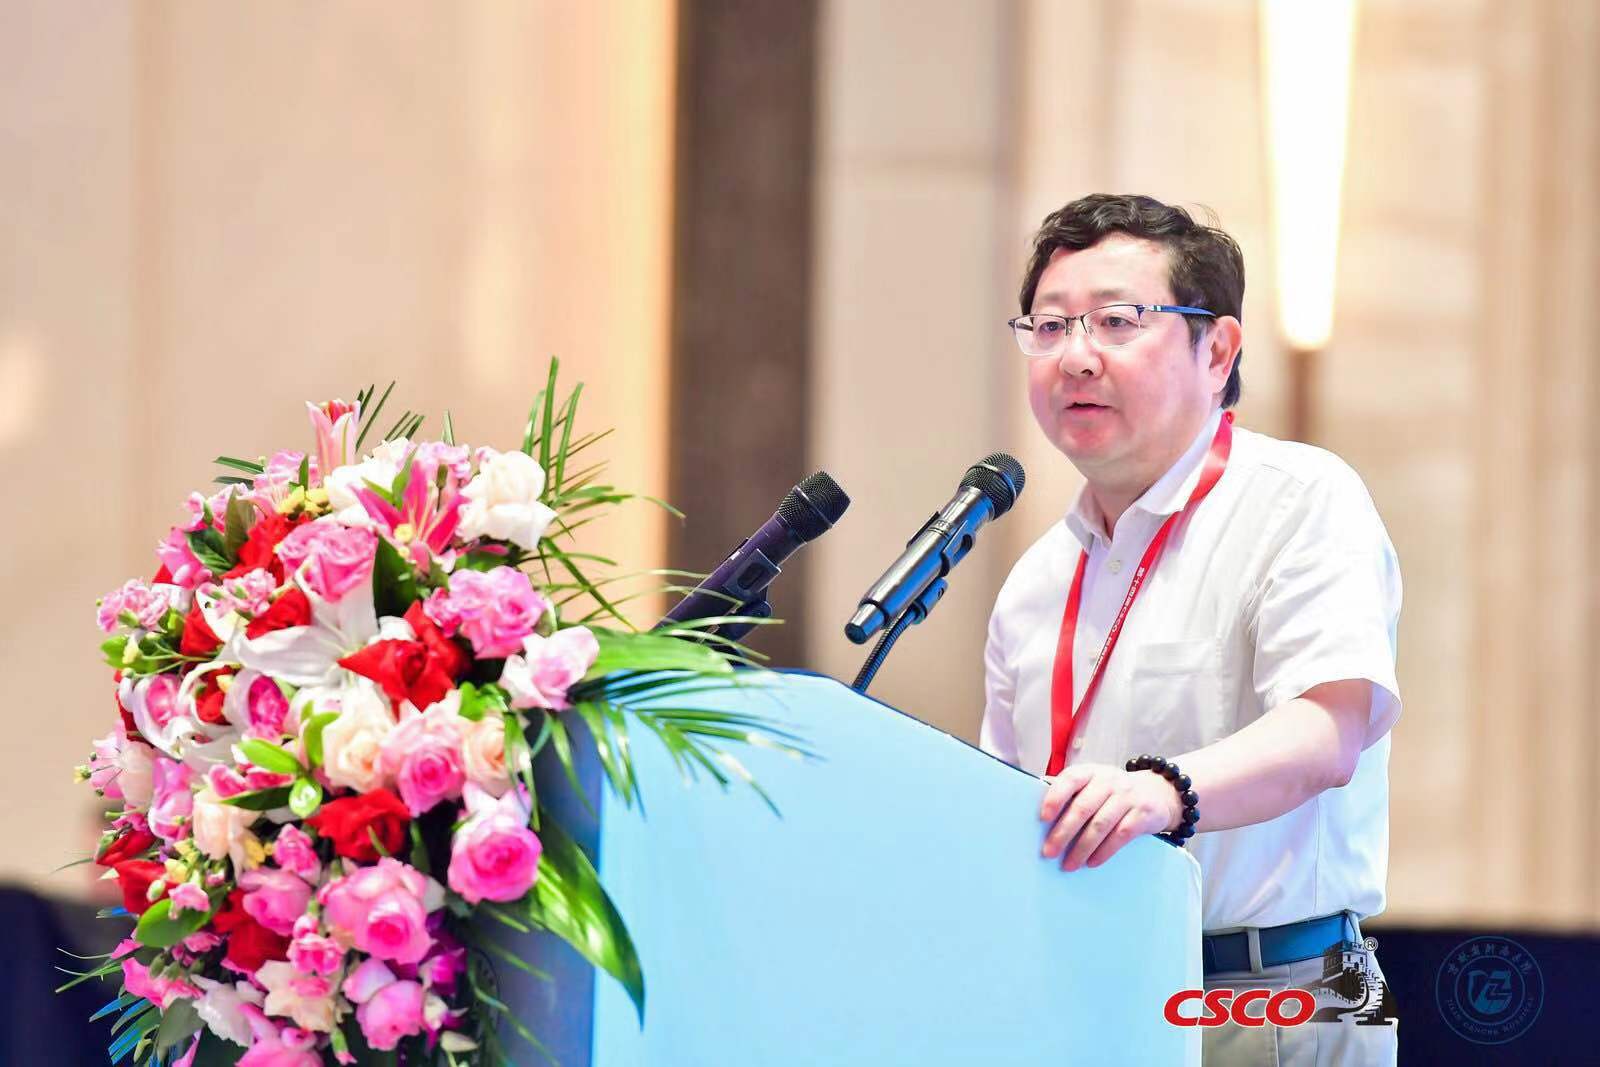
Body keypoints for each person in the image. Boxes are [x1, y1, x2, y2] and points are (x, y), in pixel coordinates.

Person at [980, 194, 1401, 1066]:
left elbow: (1327, 733)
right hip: (1083, 996)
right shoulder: (1035, 581)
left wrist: (1163, 790)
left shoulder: (1299, 500)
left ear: (1217, 351)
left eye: (1116, 321)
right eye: (1050, 327)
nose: (1075, 355)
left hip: (1273, 993)